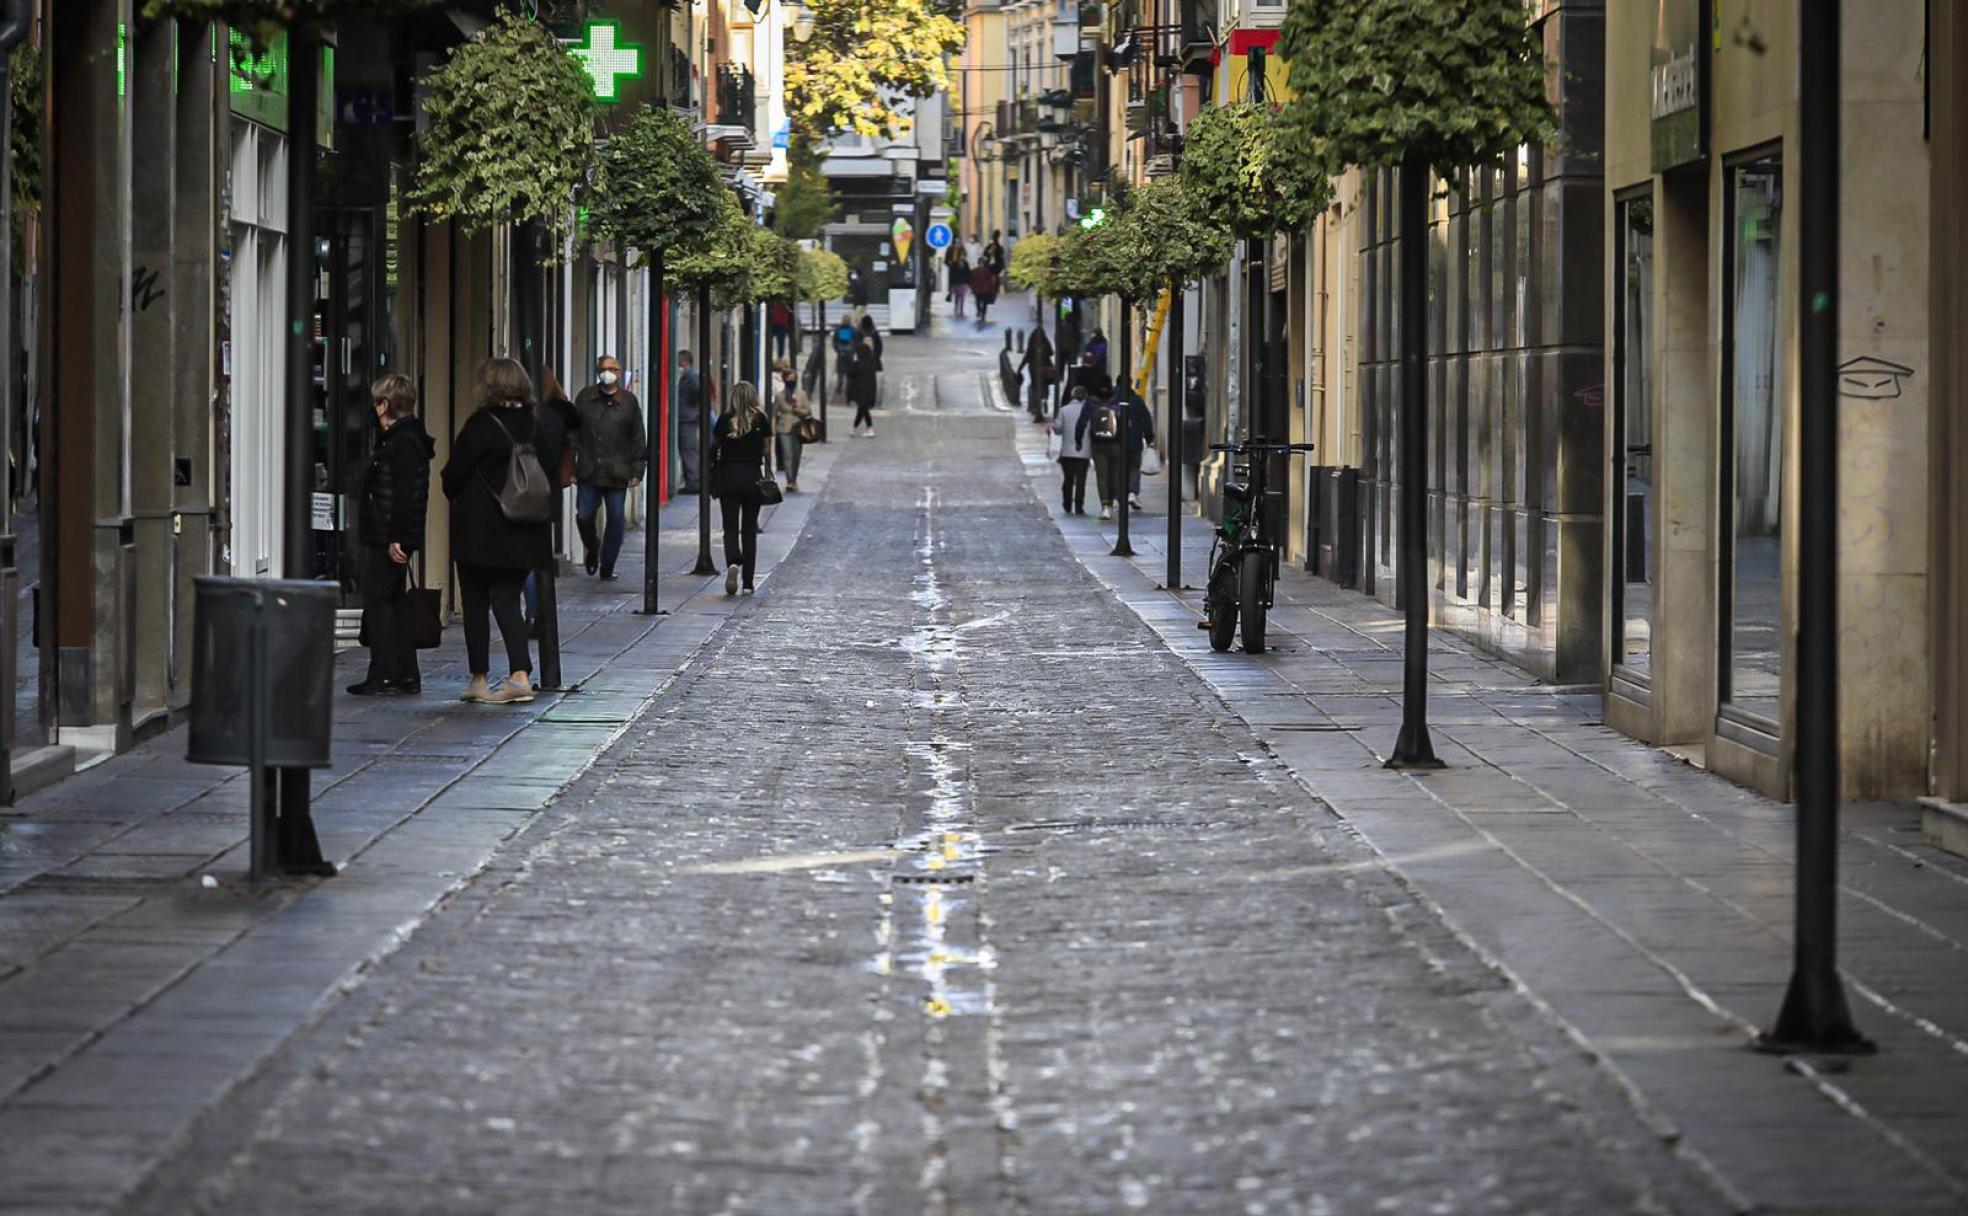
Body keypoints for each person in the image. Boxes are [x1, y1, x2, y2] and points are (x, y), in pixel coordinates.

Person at [442, 357, 553, 705]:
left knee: (475, 601)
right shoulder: (534, 425)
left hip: (479, 529)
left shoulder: (480, 424)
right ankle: (520, 675)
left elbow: (453, 475)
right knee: (508, 597)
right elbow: (548, 470)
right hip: (523, 530)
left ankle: (478, 679)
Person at [349, 373, 433, 696]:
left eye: (376, 402)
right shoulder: (404, 439)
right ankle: (404, 673)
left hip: (388, 536)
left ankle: (384, 671)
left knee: (380, 601)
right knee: (395, 602)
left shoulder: (401, 443)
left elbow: (404, 495)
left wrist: (398, 538)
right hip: (388, 534)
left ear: (385, 405)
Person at [572, 353, 647, 582]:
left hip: (617, 470)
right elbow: (574, 431)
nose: (608, 373)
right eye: (604, 368)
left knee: (615, 519)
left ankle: (608, 564)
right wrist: (572, 465)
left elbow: (637, 437)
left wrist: (637, 470)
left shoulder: (629, 402)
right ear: (598, 372)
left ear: (618, 371)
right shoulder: (585, 397)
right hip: (589, 469)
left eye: (613, 369)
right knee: (584, 516)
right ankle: (592, 548)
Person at [524, 366, 581, 634]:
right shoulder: (562, 414)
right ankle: (538, 614)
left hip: (522, 492)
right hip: (548, 492)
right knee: (538, 556)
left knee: (527, 559)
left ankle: (532, 614)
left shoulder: (528, 416)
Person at [711, 381, 772, 595]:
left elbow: (714, 447)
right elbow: (766, 450)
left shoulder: (724, 420)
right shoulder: (761, 419)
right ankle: (748, 583)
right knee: (749, 530)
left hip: (728, 478)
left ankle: (733, 562)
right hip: (752, 479)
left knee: (730, 527)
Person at [1078, 383, 1125, 520]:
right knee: (1115, 473)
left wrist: (1078, 439)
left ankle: (1105, 505)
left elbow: (1082, 422)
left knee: (1102, 475)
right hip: (1116, 443)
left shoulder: (1091, 403)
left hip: (1098, 443)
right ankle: (1113, 499)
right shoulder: (1118, 402)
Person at [1052, 386, 1094, 515]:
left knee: (1068, 478)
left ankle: (1067, 503)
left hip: (1067, 452)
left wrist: (1053, 427)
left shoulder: (1064, 410)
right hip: (1084, 451)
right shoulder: (1089, 411)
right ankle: (1079, 506)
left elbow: (1058, 429)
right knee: (1081, 480)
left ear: (1072, 396)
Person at [772, 357, 812, 491]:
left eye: (793, 378)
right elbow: (774, 412)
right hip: (784, 427)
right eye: (788, 378)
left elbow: (808, 411)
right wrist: (773, 429)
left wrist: (800, 410)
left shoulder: (802, 394)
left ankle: (794, 477)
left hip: (798, 426)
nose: (791, 381)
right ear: (784, 379)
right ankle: (790, 480)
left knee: (796, 454)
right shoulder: (780, 395)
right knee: (787, 454)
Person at [1116, 381, 1158, 510]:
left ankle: (1119, 496)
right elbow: (1146, 419)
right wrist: (1149, 436)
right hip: (1134, 441)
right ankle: (1133, 493)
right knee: (1134, 468)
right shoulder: (1136, 400)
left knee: (1119, 469)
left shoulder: (1113, 400)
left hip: (1116, 442)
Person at [675, 350, 704, 495]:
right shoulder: (688, 376)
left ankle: (693, 483)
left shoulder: (692, 376)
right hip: (687, 417)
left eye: (679, 363)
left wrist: (692, 406)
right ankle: (691, 481)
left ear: (685, 362)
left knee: (688, 450)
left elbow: (699, 392)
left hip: (688, 418)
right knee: (687, 450)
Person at [1018, 325, 1055, 421]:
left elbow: (1026, 358)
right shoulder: (1045, 343)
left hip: (1034, 370)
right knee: (1044, 385)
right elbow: (1051, 353)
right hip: (1045, 369)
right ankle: (1044, 400)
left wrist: (1019, 369)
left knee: (1035, 387)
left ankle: (1036, 405)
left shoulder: (1032, 345)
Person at [846, 335, 880, 436]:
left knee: (863, 409)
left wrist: (854, 361)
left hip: (860, 390)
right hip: (869, 390)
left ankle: (869, 428)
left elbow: (851, 373)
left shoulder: (858, 363)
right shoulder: (871, 362)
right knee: (861, 409)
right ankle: (854, 428)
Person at [859, 314, 885, 407]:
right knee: (872, 382)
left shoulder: (860, 333)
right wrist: (876, 358)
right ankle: (871, 401)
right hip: (872, 362)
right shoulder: (875, 333)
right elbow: (880, 347)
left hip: (862, 361)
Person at [946, 245, 972, 318]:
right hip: (956, 282)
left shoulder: (966, 264)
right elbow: (952, 274)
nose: (962, 256)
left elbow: (968, 273)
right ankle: (956, 307)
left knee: (962, 296)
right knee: (957, 296)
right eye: (961, 255)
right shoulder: (954, 264)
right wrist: (951, 284)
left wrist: (968, 282)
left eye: (963, 255)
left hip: (963, 282)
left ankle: (961, 309)